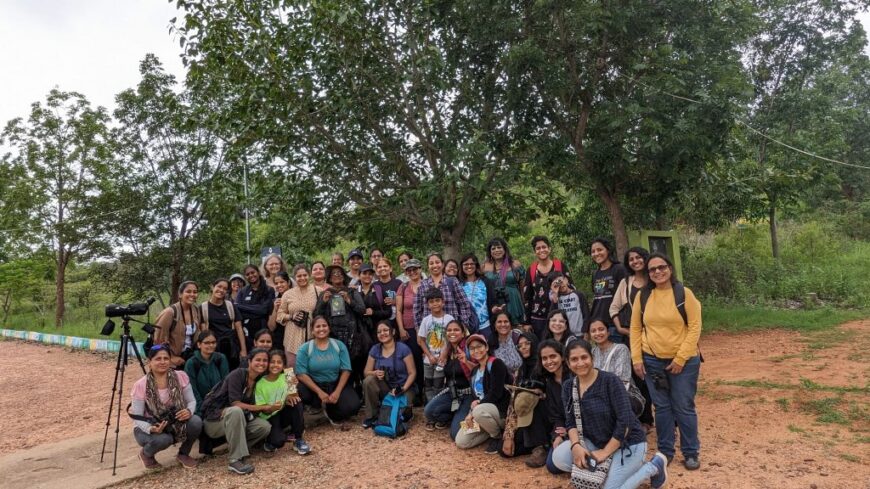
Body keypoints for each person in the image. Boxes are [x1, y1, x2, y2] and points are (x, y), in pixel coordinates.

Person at [555, 339, 669, 489]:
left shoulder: (610, 381)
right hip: (595, 440)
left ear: (592, 358)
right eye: (574, 359)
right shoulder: (568, 386)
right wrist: (576, 445)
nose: (580, 363)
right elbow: (570, 421)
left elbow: (625, 422)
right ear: (568, 364)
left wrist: (604, 452)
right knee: (559, 457)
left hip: (628, 442)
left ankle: (654, 467)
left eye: (584, 357)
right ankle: (612, 470)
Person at [631, 253, 702, 471]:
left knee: (683, 406)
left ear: (670, 268)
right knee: (661, 407)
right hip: (652, 360)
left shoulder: (684, 293)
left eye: (661, 267)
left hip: (684, 361)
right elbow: (635, 328)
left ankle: (690, 452)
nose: (657, 272)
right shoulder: (643, 296)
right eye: (652, 269)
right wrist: (636, 358)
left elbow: (695, 327)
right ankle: (665, 451)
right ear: (648, 273)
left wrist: (681, 358)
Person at [200, 349, 272, 475]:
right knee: (236, 411)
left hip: (238, 420)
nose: (261, 363)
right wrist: (262, 407)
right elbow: (235, 403)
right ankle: (235, 460)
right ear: (249, 361)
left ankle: (237, 447)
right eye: (258, 360)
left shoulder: (260, 380)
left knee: (264, 426)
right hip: (214, 421)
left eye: (265, 360)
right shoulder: (238, 374)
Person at [130, 344, 201, 469]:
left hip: (174, 421)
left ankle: (183, 454)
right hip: (147, 426)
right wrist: (151, 428)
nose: (162, 362)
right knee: (163, 439)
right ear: (149, 362)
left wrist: (189, 411)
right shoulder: (141, 385)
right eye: (158, 359)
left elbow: (192, 401)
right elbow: (137, 417)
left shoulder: (180, 376)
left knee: (196, 422)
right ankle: (146, 454)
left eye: (166, 358)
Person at [610, 247, 654, 428]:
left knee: (658, 377)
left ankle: (671, 420)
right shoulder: (626, 283)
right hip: (634, 337)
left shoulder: (655, 279)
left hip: (656, 336)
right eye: (631, 259)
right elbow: (614, 307)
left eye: (638, 257)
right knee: (639, 377)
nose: (635, 261)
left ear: (645, 258)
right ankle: (645, 419)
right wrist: (620, 328)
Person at [295, 316, 362, 429]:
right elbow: (301, 374)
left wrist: (337, 392)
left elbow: (346, 370)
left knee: (353, 406)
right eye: (318, 326)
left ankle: (330, 411)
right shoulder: (305, 348)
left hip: (334, 383)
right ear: (312, 330)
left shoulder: (338, 345)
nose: (321, 329)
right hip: (314, 386)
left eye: (324, 325)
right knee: (300, 391)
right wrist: (319, 392)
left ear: (329, 328)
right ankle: (315, 408)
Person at [500, 331, 549, 468]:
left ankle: (540, 447)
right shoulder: (520, 371)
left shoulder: (545, 365)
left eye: (527, 343)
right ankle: (535, 444)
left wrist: (543, 394)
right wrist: (509, 435)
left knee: (529, 398)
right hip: (525, 416)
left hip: (545, 415)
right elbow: (513, 402)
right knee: (504, 450)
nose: (524, 348)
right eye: (520, 346)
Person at [454, 334, 510, 454]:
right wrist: (471, 413)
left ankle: (497, 437)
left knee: (478, 411)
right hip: (482, 413)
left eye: (479, 346)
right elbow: (475, 397)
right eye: (472, 348)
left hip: (500, 412)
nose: (476, 350)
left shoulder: (496, 364)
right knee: (461, 441)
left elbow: (496, 394)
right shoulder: (475, 370)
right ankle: (489, 429)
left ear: (486, 347)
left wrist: (475, 410)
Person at [314, 265, 368, 384]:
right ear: (329, 278)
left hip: (352, 335)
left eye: (340, 273)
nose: (337, 275)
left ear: (344, 276)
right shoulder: (325, 293)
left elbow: (362, 310)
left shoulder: (352, 292)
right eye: (334, 273)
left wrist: (349, 301)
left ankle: (357, 390)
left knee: (353, 364)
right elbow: (316, 315)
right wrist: (323, 303)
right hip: (332, 334)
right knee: (336, 364)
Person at [423, 320, 475, 437]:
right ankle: (456, 416)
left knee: (455, 433)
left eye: (456, 330)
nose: (452, 332)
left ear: (463, 333)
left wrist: (466, 362)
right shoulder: (448, 350)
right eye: (449, 330)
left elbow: (481, 370)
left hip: (469, 395)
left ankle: (476, 425)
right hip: (453, 393)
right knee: (429, 412)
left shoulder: (469, 348)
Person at [361, 320, 417, 428]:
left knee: (399, 417)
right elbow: (366, 372)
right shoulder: (375, 349)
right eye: (379, 332)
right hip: (385, 387)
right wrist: (375, 372)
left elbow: (412, 373)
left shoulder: (403, 349)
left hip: (404, 388)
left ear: (393, 331)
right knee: (369, 380)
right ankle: (372, 416)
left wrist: (403, 388)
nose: (382, 333)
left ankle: (405, 410)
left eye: (385, 330)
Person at [254, 350, 310, 455]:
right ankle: (272, 439)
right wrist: (280, 403)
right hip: (270, 416)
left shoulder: (288, 374)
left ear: (283, 365)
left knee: (296, 402)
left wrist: (290, 395)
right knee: (278, 441)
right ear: (267, 364)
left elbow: (295, 396)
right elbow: (263, 411)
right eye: (272, 362)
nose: (275, 365)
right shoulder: (260, 383)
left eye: (279, 362)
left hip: (284, 413)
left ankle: (298, 439)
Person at [413, 252, 477, 335]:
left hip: (452, 330)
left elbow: (464, 304)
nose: (435, 265)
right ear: (428, 266)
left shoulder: (452, 281)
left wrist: (462, 324)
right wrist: (419, 329)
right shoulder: (423, 285)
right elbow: (417, 309)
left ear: (442, 264)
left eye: (437, 262)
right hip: (430, 332)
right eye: (431, 263)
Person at [524, 236, 572, 340]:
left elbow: (571, 288)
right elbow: (527, 297)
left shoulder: (559, 266)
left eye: (544, 247)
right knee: (541, 349)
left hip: (559, 317)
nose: (542, 250)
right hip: (538, 318)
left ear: (549, 249)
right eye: (538, 248)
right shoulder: (531, 270)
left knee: (561, 347)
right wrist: (527, 322)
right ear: (535, 251)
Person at [537, 340, 572, 475]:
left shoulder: (574, 376)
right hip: (565, 430)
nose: (549, 361)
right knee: (552, 466)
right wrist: (558, 435)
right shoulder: (550, 383)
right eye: (544, 358)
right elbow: (555, 415)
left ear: (562, 357)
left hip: (585, 428)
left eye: (553, 356)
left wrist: (569, 430)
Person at [278, 264, 322, 367]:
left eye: (305, 275)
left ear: (309, 275)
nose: (302, 278)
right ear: (294, 278)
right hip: (292, 337)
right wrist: (291, 316)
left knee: (313, 367)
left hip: (313, 335)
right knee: (291, 368)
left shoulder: (318, 291)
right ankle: (292, 384)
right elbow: (279, 315)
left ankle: (311, 384)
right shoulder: (287, 294)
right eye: (299, 276)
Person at [154, 281, 203, 368]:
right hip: (173, 360)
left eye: (195, 292)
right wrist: (171, 357)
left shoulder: (196, 309)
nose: (192, 294)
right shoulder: (170, 312)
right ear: (180, 294)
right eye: (188, 291)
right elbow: (159, 339)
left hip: (189, 357)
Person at [417, 288, 454, 402]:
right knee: (428, 384)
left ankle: (437, 405)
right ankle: (429, 408)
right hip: (429, 360)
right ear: (428, 305)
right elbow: (421, 340)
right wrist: (429, 355)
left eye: (437, 300)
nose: (435, 304)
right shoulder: (426, 320)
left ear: (443, 302)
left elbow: (451, 340)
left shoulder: (449, 319)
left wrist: (444, 354)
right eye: (431, 302)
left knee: (438, 384)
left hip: (442, 360)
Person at [589, 237, 629, 343]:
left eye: (599, 250)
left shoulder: (619, 269)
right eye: (593, 251)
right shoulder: (595, 273)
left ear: (608, 250)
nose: (596, 253)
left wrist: (621, 325)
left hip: (615, 325)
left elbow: (626, 297)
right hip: (599, 325)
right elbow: (598, 298)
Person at [200, 278, 246, 370]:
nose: (221, 290)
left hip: (231, 348)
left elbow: (239, 329)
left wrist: (243, 350)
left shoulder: (230, 306)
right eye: (219, 286)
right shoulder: (203, 307)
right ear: (212, 287)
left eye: (225, 289)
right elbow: (204, 331)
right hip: (214, 348)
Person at [396, 258, 426, 399]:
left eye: (415, 269)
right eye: (409, 270)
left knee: (425, 360)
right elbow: (398, 310)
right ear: (406, 272)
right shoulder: (403, 287)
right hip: (409, 329)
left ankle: (428, 390)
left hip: (425, 329)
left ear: (420, 269)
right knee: (413, 361)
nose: (413, 272)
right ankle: (416, 392)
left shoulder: (427, 285)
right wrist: (401, 329)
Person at [184, 330, 230, 418]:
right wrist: (202, 408)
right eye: (207, 343)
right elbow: (192, 390)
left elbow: (225, 383)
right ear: (199, 344)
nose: (211, 345)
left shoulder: (221, 358)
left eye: (213, 342)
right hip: (199, 407)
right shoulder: (191, 363)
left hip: (219, 405)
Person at [482, 237, 526, 326]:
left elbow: (522, 288)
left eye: (499, 247)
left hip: (513, 302)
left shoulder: (515, 264)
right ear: (490, 252)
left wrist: (524, 304)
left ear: (504, 249)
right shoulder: (484, 267)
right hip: (494, 302)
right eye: (493, 248)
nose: (496, 250)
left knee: (516, 330)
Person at [236, 265, 275, 351]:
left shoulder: (269, 290)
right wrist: (257, 310)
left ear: (258, 272)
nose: (251, 275)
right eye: (247, 274)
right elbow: (237, 311)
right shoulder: (242, 291)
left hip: (263, 332)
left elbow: (264, 310)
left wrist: (242, 307)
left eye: (253, 272)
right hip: (246, 333)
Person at [458, 253, 496, 337]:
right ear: (461, 266)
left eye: (472, 264)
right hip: (466, 325)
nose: (469, 266)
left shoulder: (485, 281)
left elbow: (492, 300)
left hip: (485, 324)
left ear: (476, 265)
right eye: (466, 264)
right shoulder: (458, 283)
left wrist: (494, 308)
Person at [548, 271, 589, 338]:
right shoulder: (556, 299)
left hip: (579, 334)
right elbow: (552, 315)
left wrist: (586, 333)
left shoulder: (578, 295)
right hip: (563, 335)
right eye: (557, 284)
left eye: (561, 281)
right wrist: (555, 293)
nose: (560, 285)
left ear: (566, 280)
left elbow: (586, 314)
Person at [359, 263, 391, 337]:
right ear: (359, 275)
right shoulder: (354, 291)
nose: (367, 276)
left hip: (378, 331)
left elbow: (388, 312)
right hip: (360, 331)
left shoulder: (379, 289)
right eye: (364, 273)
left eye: (370, 274)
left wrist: (374, 312)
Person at [267, 271, 292, 352]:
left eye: (282, 282)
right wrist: (275, 309)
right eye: (276, 283)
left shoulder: (296, 297)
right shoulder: (274, 301)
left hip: (294, 337)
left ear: (288, 282)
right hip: (278, 340)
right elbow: (271, 327)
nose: (279, 285)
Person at [375, 257, 403, 326]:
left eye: (385, 266)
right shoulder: (374, 286)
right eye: (379, 267)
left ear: (390, 268)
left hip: (398, 320)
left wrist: (395, 301)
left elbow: (406, 301)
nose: (382, 268)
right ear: (376, 270)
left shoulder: (398, 283)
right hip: (381, 321)